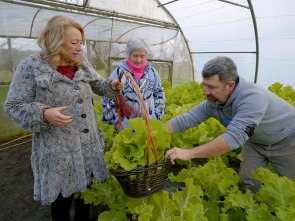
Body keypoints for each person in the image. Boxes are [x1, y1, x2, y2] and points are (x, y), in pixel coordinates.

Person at [3, 16, 124, 221]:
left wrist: (111, 86)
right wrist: (44, 114)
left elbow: (99, 84)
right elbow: (13, 106)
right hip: (59, 153)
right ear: (56, 40)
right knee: (61, 206)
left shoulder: (81, 63)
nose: (80, 48)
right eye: (74, 42)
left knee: (86, 202)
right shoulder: (31, 67)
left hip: (87, 148)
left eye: (81, 43)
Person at [165, 56, 295, 194]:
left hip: (287, 139)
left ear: (230, 85)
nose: (206, 91)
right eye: (204, 84)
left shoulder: (253, 97)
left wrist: (189, 153)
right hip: (255, 141)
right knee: (248, 183)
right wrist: (154, 132)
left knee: (291, 184)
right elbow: (187, 119)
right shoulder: (213, 101)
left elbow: (233, 137)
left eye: (212, 87)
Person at [101, 37, 165, 132]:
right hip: (126, 127)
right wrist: (117, 121)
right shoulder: (118, 73)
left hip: (149, 125)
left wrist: (156, 115)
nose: (139, 60)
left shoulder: (152, 73)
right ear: (129, 55)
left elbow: (159, 94)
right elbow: (108, 98)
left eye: (142, 56)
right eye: (135, 56)